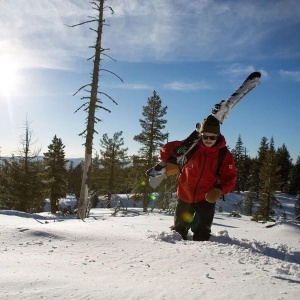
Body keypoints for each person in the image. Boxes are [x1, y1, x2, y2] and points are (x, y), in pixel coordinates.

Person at [160, 115, 237, 241]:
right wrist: (170, 160)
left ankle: (201, 258)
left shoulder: (223, 154)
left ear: (217, 137)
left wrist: (219, 189)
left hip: (206, 198)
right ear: (201, 135)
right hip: (185, 195)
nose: (208, 140)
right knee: (178, 233)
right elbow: (166, 148)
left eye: (212, 137)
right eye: (205, 136)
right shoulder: (191, 146)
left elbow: (230, 178)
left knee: (202, 234)